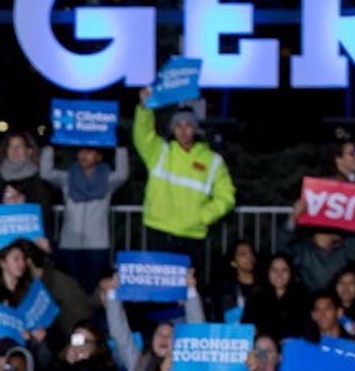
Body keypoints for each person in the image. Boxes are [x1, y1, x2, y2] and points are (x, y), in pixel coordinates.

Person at [132, 87, 236, 275]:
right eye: (178, 125)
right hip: (159, 230)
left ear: (195, 128)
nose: (183, 130)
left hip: (193, 235)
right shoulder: (160, 152)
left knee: (190, 290)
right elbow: (142, 135)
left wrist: (203, 216)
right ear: (173, 128)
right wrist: (144, 107)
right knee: (161, 289)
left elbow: (227, 196)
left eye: (188, 125)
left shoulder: (212, 160)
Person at [39, 143, 130, 292]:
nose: (83, 155)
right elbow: (46, 173)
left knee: (95, 290)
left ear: (99, 156)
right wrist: (50, 147)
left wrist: (120, 146)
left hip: (98, 245)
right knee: (72, 290)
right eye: (80, 151)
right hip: (69, 244)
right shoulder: (68, 178)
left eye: (89, 151)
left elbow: (123, 174)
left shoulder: (108, 180)